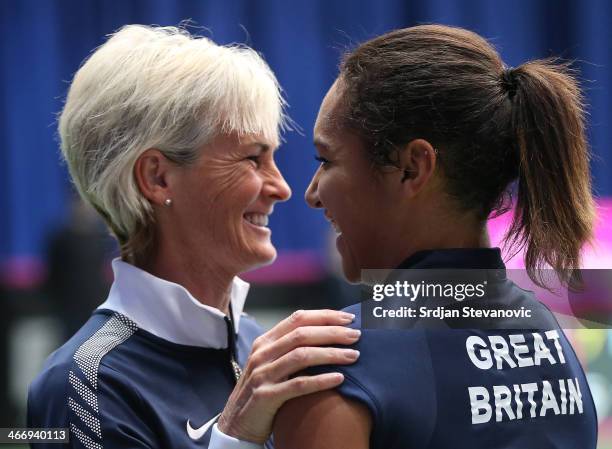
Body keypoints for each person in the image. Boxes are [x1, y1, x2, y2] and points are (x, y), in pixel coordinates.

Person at [27, 25, 362, 449]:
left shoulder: (258, 345)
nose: (282, 187)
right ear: (157, 177)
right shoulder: (80, 386)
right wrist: (234, 437)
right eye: (252, 159)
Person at [274, 25, 598, 448]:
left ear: (412, 168)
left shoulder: (334, 361)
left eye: (327, 160)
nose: (312, 193)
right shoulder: (553, 338)